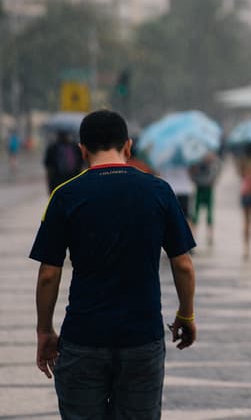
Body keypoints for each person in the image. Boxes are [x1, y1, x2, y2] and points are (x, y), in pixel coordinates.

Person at [29, 109, 196, 418]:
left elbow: (48, 275)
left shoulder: (65, 195)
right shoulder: (158, 191)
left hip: (83, 337)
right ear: (128, 146)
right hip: (141, 338)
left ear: (82, 149)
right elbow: (183, 264)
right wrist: (186, 314)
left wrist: (44, 331)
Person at [189, 151, 222, 246]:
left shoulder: (213, 162)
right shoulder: (196, 162)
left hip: (208, 189)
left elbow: (219, 167)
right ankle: (194, 235)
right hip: (200, 188)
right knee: (195, 214)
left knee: (209, 214)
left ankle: (210, 236)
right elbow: (192, 174)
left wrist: (214, 179)